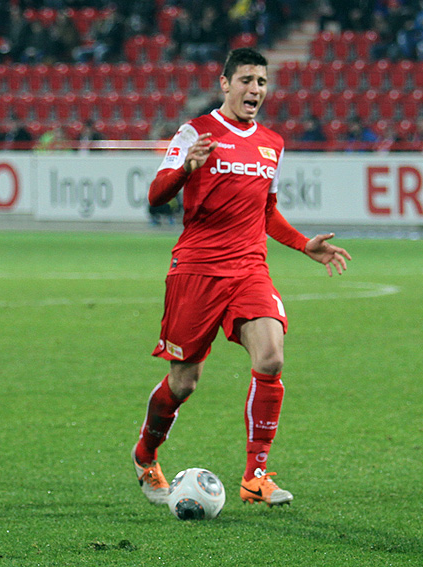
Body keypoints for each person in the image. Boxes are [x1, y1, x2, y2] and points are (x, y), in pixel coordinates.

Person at [131, 48, 351, 508]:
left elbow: (266, 211)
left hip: (250, 268)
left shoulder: (272, 143)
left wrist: (303, 244)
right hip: (197, 269)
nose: (255, 90)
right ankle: (146, 453)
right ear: (225, 84)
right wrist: (185, 169)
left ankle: (255, 476)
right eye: (247, 80)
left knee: (271, 358)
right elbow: (155, 196)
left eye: (262, 82)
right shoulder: (196, 132)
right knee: (184, 383)